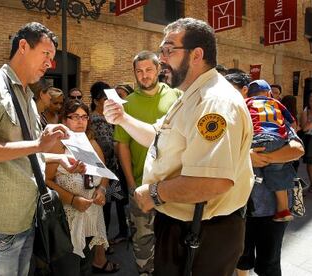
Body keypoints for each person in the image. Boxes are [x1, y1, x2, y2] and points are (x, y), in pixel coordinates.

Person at [104, 18, 253, 275]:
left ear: (197, 54)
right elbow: (156, 136)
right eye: (162, 50)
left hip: (203, 232)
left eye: (169, 50)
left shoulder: (214, 101)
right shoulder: (190, 95)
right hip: (183, 227)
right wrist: (122, 118)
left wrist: (153, 193)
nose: (161, 59)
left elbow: (214, 181)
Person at [0, 22, 84, 276]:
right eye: (46, 54)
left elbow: (25, 153)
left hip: (26, 220)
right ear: (23, 46)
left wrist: (59, 158)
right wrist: (38, 144)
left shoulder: (28, 97)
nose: (50, 63)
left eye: (52, 57)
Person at [113, 50, 182, 275]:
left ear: (158, 70)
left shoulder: (177, 97)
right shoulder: (126, 104)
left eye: (149, 70)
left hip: (174, 184)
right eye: (139, 71)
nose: (144, 75)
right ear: (134, 73)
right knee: (143, 240)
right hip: (142, 185)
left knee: (175, 240)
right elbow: (121, 145)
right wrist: (131, 183)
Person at [45, 100, 115, 275]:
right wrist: (73, 200)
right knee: (68, 269)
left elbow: (104, 173)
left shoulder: (91, 142)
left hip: (91, 218)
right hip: (66, 219)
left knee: (86, 267)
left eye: (84, 117)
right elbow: (46, 180)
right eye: (75, 117)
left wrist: (102, 190)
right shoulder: (57, 144)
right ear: (65, 120)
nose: (80, 121)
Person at [236, 130, 304, 276]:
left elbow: (297, 150)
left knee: (270, 263)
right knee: (241, 257)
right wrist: (245, 156)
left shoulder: (276, 119)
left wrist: (265, 157)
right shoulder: (236, 119)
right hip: (240, 205)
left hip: (273, 210)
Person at [245, 79, 296, 222]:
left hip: (256, 138)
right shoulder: (277, 103)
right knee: (277, 171)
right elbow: (292, 121)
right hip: (276, 138)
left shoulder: (247, 102)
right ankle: (283, 210)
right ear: (269, 93)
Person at [89, 81, 122, 273]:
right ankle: (99, 249)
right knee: (102, 209)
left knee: (109, 207)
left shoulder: (109, 118)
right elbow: (104, 146)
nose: (109, 102)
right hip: (101, 174)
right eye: (105, 99)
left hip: (112, 172)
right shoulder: (93, 120)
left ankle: (105, 243)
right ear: (96, 101)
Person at [300, 93, 312, 192]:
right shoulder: (306, 111)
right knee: (310, 163)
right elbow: (304, 128)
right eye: (311, 97)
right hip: (310, 138)